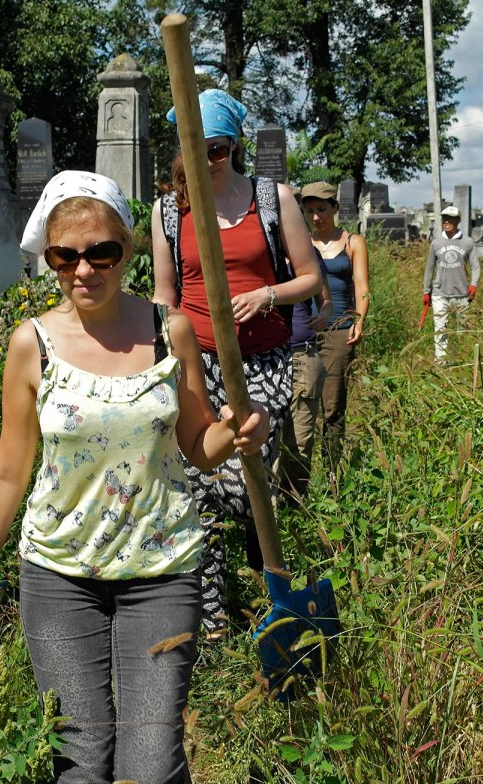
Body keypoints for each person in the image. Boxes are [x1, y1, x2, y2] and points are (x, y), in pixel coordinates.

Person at [0, 170, 269, 784]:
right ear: (49, 257)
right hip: (59, 576)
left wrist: (236, 433)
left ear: (127, 250)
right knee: (81, 758)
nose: (83, 270)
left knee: (151, 764)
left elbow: (200, 446)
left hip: (161, 570)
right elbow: (9, 470)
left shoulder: (167, 331)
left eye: (101, 252)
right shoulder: (32, 344)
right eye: (65, 256)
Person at [151, 89, 321, 636]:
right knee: (199, 485)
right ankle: (212, 615)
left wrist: (268, 295)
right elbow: (165, 294)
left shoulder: (273, 199)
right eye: (195, 149)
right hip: (197, 364)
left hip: (262, 364)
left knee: (238, 479)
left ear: (234, 148)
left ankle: (264, 575)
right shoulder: (167, 212)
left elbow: (311, 277)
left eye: (218, 150)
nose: (206, 161)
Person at [301, 181, 369, 470]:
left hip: (340, 330)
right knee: (302, 408)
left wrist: (359, 321)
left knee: (332, 407)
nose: (316, 217)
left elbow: (362, 286)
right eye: (310, 211)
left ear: (335, 209)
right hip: (304, 332)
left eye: (322, 209)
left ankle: (332, 474)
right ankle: (299, 477)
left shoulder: (353, 242)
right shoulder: (302, 242)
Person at [277, 246, 331, 501]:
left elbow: (326, 301)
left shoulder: (307, 254)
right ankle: (269, 506)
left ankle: (294, 504)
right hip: (266, 357)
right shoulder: (255, 248)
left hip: (303, 354)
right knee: (268, 437)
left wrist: (324, 315)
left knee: (300, 438)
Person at [422, 204, 480, 362]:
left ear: (458, 221)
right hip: (440, 294)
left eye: (451, 219)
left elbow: (475, 267)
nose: (447, 221)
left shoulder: (467, 242)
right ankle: (441, 365)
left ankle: (461, 362)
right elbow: (429, 269)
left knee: (463, 331)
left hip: (462, 295)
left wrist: (473, 285)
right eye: (445, 218)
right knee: (440, 331)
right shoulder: (436, 243)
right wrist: (426, 291)